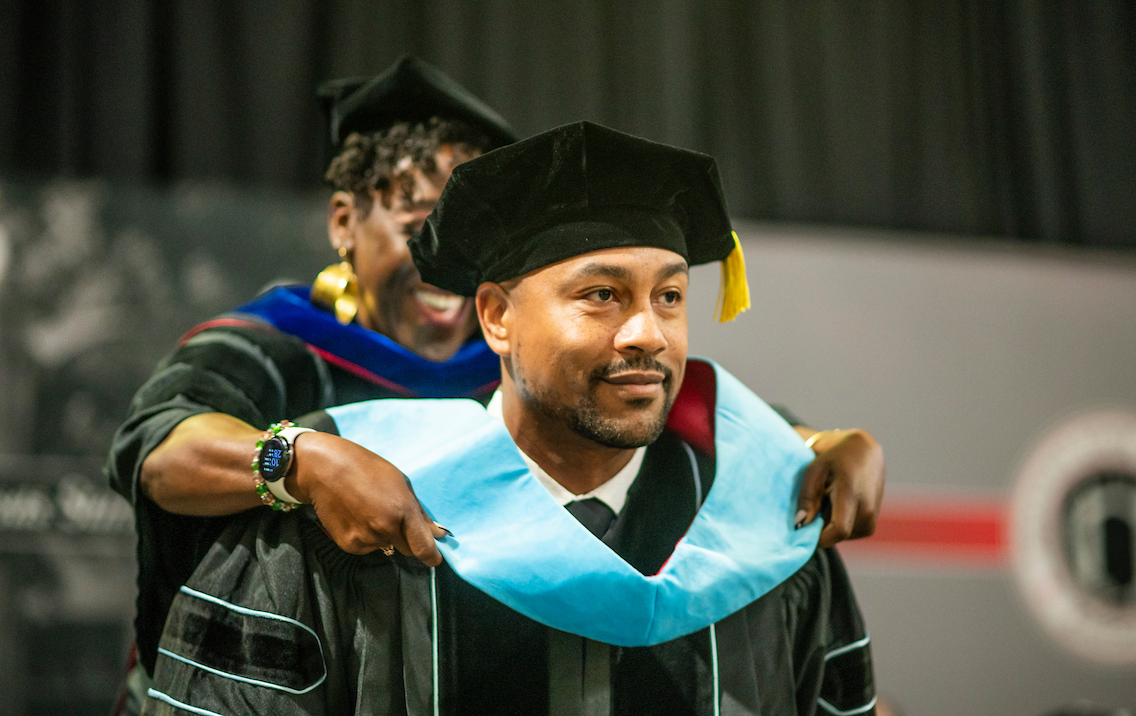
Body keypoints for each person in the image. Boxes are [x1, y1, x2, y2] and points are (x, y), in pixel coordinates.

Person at [145, 122, 877, 715]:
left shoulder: (769, 527)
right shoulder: (347, 520)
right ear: (495, 317)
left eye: (670, 298)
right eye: (601, 295)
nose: (647, 334)